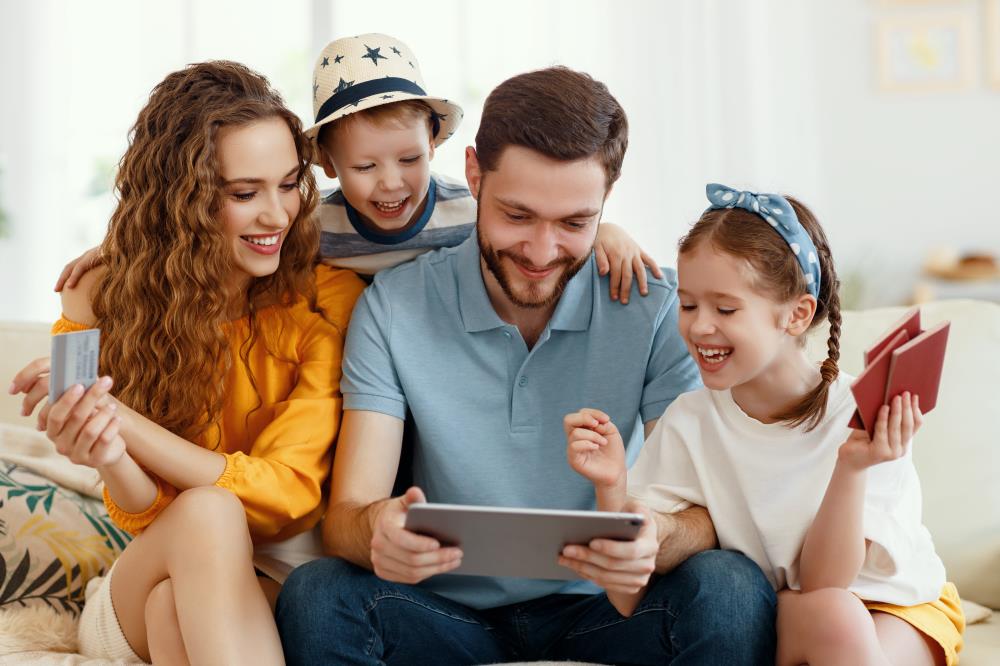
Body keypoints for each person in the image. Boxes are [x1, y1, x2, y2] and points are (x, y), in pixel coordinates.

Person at [275, 68, 777, 665]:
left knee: (729, 588)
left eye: (573, 223)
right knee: (317, 594)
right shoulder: (393, 307)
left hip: (609, 609)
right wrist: (378, 530)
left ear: (604, 204)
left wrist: (659, 537)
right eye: (517, 216)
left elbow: (710, 511)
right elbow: (348, 517)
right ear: (472, 176)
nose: (541, 253)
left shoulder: (660, 310)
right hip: (443, 613)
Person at [8, 61, 365, 664]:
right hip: (139, 578)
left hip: (266, 585)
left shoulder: (325, 298)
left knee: (176, 608)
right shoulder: (93, 294)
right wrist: (108, 449)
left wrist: (120, 422)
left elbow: (291, 493)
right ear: (185, 201)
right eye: (245, 193)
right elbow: (138, 509)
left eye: (288, 183)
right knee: (204, 514)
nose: (278, 215)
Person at [565, 183, 966, 665]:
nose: (698, 327)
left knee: (835, 616)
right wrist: (611, 487)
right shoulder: (690, 421)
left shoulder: (861, 412)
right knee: (824, 615)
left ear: (797, 315)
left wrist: (853, 467)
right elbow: (630, 601)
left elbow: (827, 581)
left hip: (899, 607)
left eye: (725, 308)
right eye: (688, 305)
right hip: (787, 609)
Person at [57, 33, 660, 304]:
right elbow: (208, 229)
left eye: (409, 159)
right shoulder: (311, 224)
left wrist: (607, 230)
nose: (392, 182)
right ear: (326, 163)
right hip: (356, 371)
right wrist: (119, 246)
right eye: (365, 166)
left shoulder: (470, 209)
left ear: (436, 143)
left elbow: (545, 220)